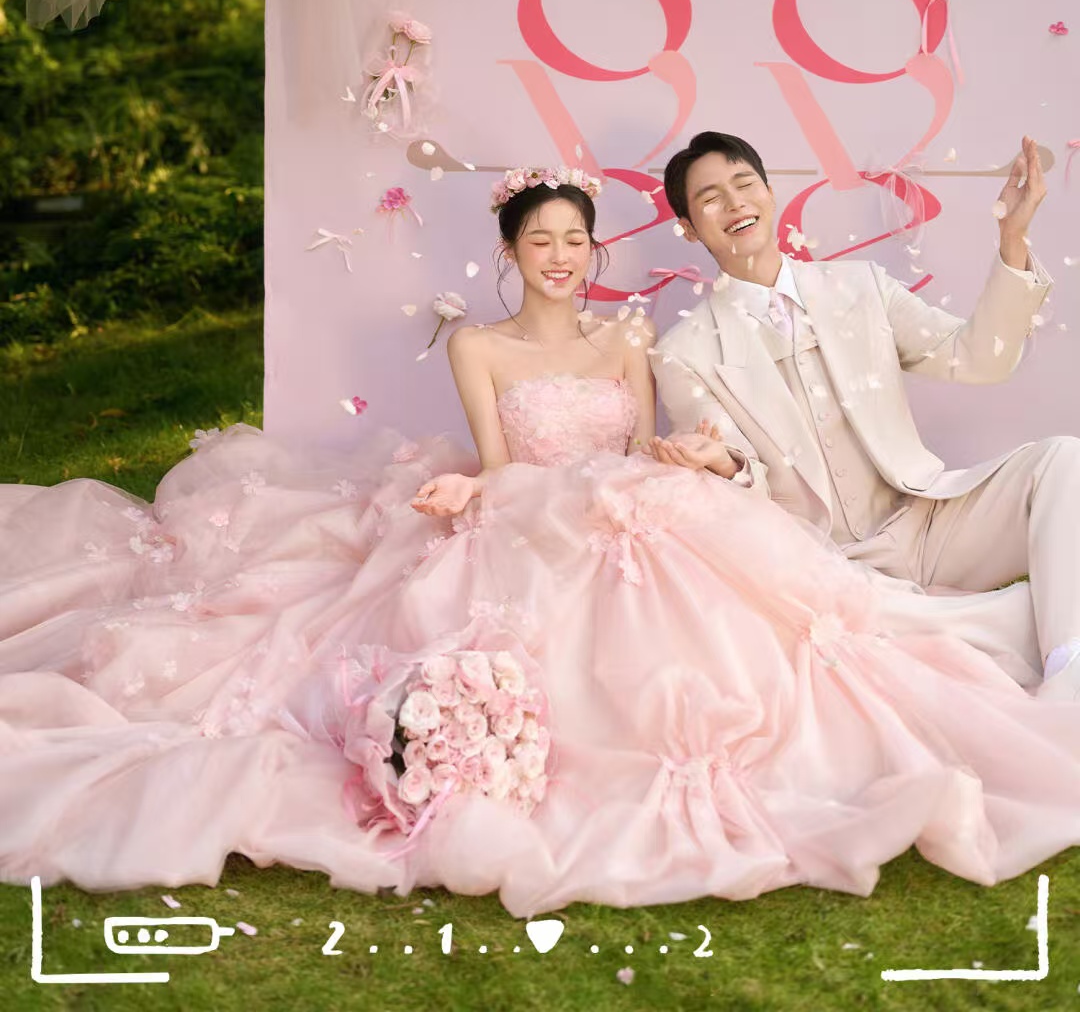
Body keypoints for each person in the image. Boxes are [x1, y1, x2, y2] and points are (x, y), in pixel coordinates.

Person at [2, 165, 1080, 919]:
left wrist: (684, 460)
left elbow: (648, 442)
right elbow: (498, 456)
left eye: (576, 242)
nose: (561, 258)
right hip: (533, 510)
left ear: (595, 251)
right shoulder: (479, 347)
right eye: (541, 243)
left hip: (636, 496)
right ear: (511, 253)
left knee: (696, 589)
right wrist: (472, 487)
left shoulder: (634, 338)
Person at [652, 131, 1080, 700]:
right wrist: (724, 464)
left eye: (744, 183)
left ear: (770, 193)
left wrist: (1013, 237)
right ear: (687, 227)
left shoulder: (861, 286)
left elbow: (980, 358)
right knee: (829, 614)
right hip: (829, 560)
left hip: (929, 521)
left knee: (1063, 460)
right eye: (710, 198)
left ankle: (1067, 671)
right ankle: (1023, 620)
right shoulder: (682, 352)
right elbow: (743, 485)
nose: (734, 203)